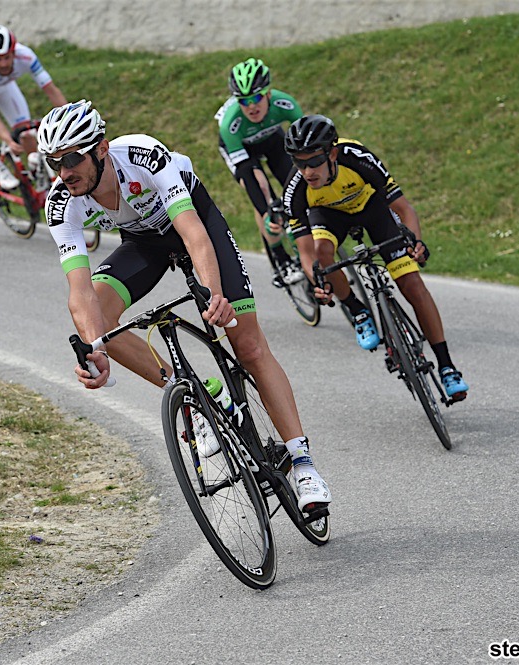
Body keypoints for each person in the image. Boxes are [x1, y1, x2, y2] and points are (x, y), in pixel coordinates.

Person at [38, 100, 331, 513]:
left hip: (194, 221)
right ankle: (195, 395)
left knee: (248, 346)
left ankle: (303, 465)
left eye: (72, 159)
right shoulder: (60, 203)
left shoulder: (141, 155)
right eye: (54, 162)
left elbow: (193, 234)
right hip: (143, 242)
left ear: (101, 149)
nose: (64, 172)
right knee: (98, 324)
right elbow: (79, 291)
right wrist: (96, 349)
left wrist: (215, 294)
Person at [282, 115, 470, 400]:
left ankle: (447, 367)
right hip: (329, 216)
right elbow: (306, 252)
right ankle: (358, 311)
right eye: (299, 162)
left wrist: (416, 241)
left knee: (413, 285)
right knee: (323, 254)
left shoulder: (357, 157)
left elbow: (404, 209)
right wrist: (318, 282)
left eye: (314, 161)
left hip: (371, 207)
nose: (307, 171)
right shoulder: (295, 188)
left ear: (332, 153)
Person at [216, 58, 305, 286]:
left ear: (268, 94)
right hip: (242, 149)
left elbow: (307, 143)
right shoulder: (230, 124)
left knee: (297, 181)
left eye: (256, 98)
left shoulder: (285, 104)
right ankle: (280, 258)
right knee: (263, 192)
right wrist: (268, 212)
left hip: (272, 140)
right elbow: (250, 181)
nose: (251, 106)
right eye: (244, 101)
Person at [0, 25, 67, 191]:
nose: (3, 64)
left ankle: (38, 175)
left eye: (7, 57)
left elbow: (51, 90)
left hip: (5, 85)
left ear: (14, 52)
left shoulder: (26, 56)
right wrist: (8, 140)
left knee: (26, 132)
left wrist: (69, 119)